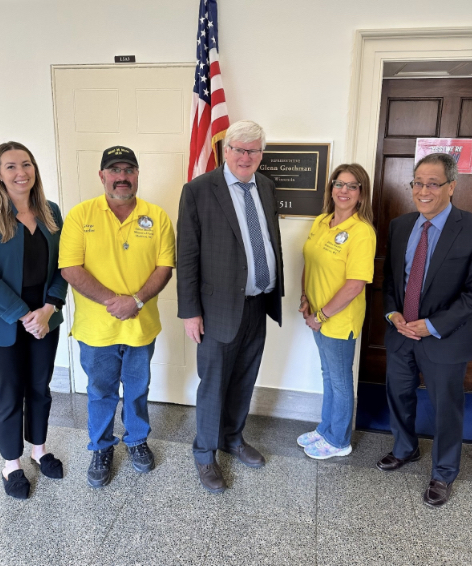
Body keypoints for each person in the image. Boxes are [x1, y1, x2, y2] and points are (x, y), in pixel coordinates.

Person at [177, 120, 284, 494]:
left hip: (258, 304)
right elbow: (187, 256)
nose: (245, 156)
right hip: (217, 309)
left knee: (244, 378)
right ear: (226, 151)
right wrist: (190, 311)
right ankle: (205, 454)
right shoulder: (199, 190)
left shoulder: (267, 187)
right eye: (238, 149)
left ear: (261, 154)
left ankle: (232, 438)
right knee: (214, 384)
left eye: (253, 150)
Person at [59, 146, 175, 488]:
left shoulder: (157, 216)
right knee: (100, 391)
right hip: (96, 331)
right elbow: (70, 268)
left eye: (129, 170)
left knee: (138, 390)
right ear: (102, 176)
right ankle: (101, 447)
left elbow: (165, 267)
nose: (122, 176)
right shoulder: (81, 215)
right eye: (114, 170)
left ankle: (137, 441)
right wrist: (116, 302)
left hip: (141, 327)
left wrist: (136, 301)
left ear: (137, 175)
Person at [377, 153, 472, 508]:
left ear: (451, 187)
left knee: (447, 407)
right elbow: (390, 280)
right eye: (418, 182)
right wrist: (392, 313)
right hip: (400, 334)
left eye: (433, 183)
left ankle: (444, 472)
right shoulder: (400, 225)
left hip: (446, 339)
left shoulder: (469, 227)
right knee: (398, 395)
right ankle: (405, 448)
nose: (424, 190)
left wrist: (432, 325)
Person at [0, 142, 67, 500]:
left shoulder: (51, 212)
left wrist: (48, 309)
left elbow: (65, 265)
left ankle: (38, 449)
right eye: (10, 166)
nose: (20, 172)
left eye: (26, 164)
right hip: (6, 321)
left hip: (44, 318)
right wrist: (22, 314)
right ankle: (11, 463)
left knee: (40, 387)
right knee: (9, 393)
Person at [298, 163, 376, 459]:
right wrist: (305, 297)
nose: (343, 191)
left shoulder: (361, 232)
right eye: (339, 184)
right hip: (316, 315)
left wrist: (321, 317)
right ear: (331, 188)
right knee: (328, 374)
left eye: (352, 186)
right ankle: (326, 428)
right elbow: (309, 261)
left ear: (361, 193)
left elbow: (355, 285)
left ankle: (339, 441)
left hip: (337, 319)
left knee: (340, 379)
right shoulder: (321, 221)